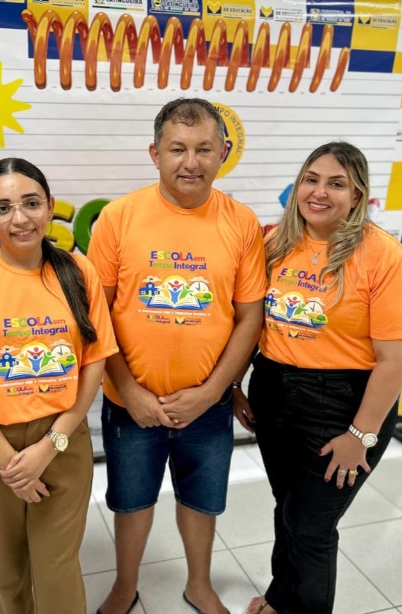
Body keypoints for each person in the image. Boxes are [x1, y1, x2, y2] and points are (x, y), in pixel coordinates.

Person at [88, 98, 267, 614]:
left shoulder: (242, 222)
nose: (191, 162)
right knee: (131, 502)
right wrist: (129, 390)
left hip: (207, 406)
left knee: (202, 502)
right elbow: (98, 317)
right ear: (155, 154)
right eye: (177, 149)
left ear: (223, 153)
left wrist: (213, 392)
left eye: (204, 149)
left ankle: (199, 585)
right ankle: (125, 585)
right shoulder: (118, 218)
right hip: (131, 405)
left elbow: (249, 318)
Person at [0, 158, 117, 614]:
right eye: (3, 207)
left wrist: (50, 446)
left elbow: (94, 363)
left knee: (56, 571)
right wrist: (9, 463)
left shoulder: (79, 271)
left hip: (62, 440)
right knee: (9, 574)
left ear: (49, 206)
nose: (20, 218)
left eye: (31, 203)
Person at [238, 142, 402, 614]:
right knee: (288, 509)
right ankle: (280, 599)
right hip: (275, 390)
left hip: (343, 405)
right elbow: (250, 324)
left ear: (357, 195)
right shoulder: (276, 243)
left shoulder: (383, 255)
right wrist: (236, 386)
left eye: (336, 184)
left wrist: (360, 435)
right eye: (311, 179)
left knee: (312, 528)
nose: (319, 192)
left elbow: (398, 359)